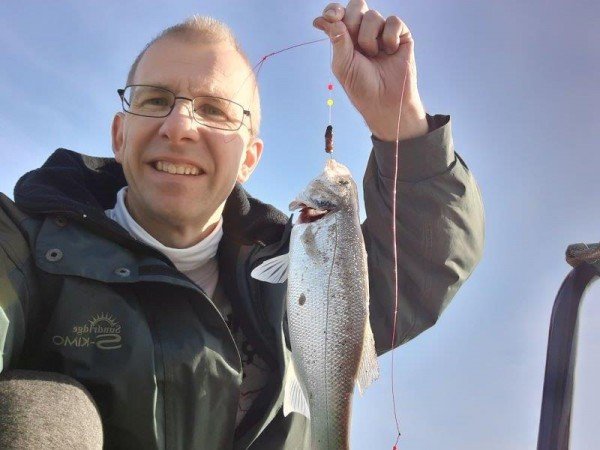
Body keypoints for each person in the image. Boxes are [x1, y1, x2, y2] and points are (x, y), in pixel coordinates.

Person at [0, 1, 484, 449]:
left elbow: (426, 261)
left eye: (213, 110)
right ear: (119, 134)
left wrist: (400, 122)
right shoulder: (20, 245)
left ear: (249, 158)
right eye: (154, 100)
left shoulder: (302, 277)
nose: (180, 126)